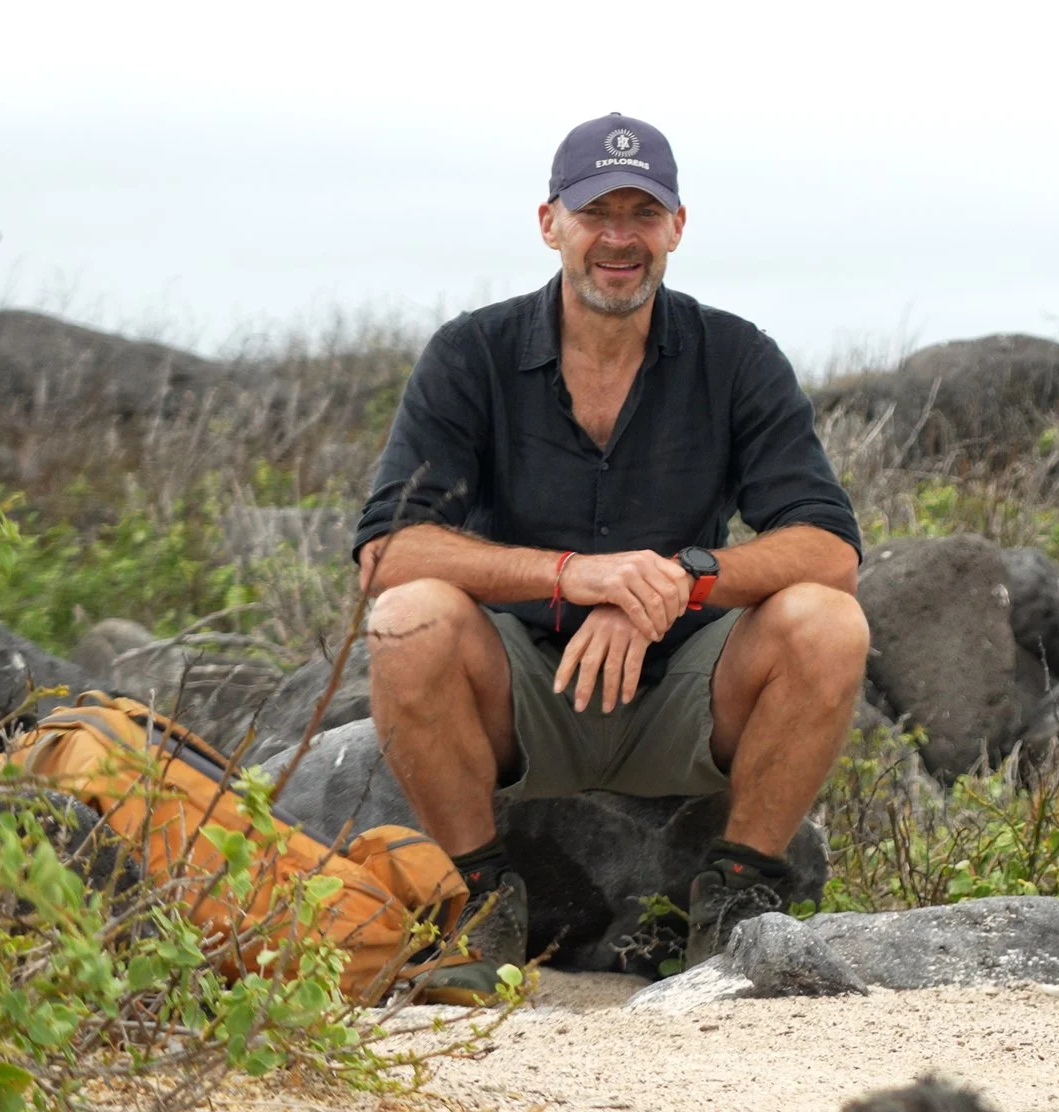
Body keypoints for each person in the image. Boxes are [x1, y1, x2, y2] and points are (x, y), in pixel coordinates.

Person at [350, 113, 866, 1001]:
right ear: (550, 223)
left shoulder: (736, 357)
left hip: (686, 698)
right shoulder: (471, 353)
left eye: (642, 212)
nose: (618, 238)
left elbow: (829, 547)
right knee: (407, 619)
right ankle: (481, 905)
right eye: (597, 212)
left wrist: (676, 580)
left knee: (827, 620)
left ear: (677, 227)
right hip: (517, 701)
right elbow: (386, 550)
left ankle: (735, 903)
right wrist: (572, 576)